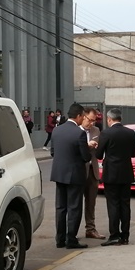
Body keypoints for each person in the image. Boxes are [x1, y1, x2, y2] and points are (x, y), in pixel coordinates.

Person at [50, 103, 91, 249]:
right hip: (74, 175)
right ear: (79, 116)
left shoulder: (57, 131)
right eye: (83, 117)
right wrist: (88, 147)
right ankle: (71, 239)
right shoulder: (78, 133)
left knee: (60, 207)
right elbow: (85, 157)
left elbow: (53, 152)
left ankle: (60, 239)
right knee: (74, 207)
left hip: (59, 173)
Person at [96, 108, 135, 246]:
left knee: (113, 204)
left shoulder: (106, 133)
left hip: (111, 174)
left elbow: (99, 155)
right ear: (120, 118)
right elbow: (133, 154)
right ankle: (125, 236)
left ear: (109, 119)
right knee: (125, 204)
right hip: (126, 173)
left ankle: (114, 235)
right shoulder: (130, 133)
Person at [80, 107, 105, 240]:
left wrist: (96, 146)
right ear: (83, 117)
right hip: (78, 171)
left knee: (91, 202)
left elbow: (100, 150)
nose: (92, 123)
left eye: (94, 121)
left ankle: (90, 229)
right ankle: (71, 231)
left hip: (92, 170)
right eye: (90, 120)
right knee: (75, 203)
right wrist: (86, 145)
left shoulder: (96, 130)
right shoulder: (75, 130)